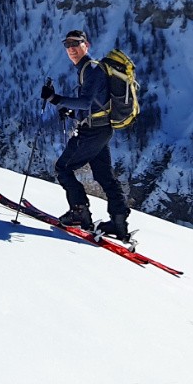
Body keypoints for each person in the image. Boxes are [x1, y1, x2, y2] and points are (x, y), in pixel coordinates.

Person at [40, 29, 133, 243]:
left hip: (92, 132)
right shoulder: (88, 69)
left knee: (63, 168)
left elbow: (86, 102)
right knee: (104, 176)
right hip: (101, 129)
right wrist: (71, 112)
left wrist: (56, 98)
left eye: (76, 44)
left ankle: (79, 211)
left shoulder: (91, 70)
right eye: (67, 45)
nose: (71, 48)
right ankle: (119, 223)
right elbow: (93, 104)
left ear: (86, 45)